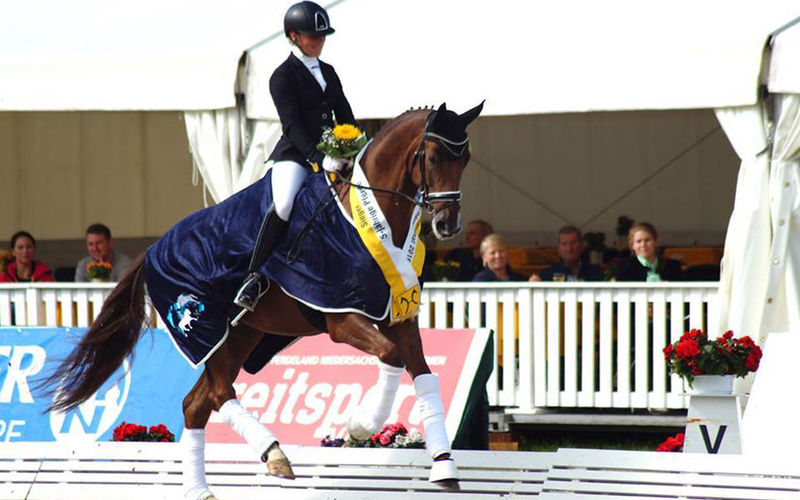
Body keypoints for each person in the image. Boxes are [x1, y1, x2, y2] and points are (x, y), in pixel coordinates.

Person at [234, 1, 356, 312]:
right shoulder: (282, 76)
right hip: (296, 155)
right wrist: (318, 157)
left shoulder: (328, 71)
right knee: (285, 203)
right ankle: (254, 276)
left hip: (334, 153)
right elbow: (292, 125)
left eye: (322, 36)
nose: (318, 41)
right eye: (312, 36)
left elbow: (345, 115)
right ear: (294, 36)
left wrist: (355, 146)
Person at [531, 226, 604, 282]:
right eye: (564, 244)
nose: (569, 249)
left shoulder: (595, 272)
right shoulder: (547, 275)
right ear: (558, 249)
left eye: (573, 243)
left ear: (581, 246)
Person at [615, 222, 683, 281]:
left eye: (647, 240)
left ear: (656, 242)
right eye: (639, 241)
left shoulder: (673, 266)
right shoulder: (624, 267)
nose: (643, 245)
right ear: (632, 245)